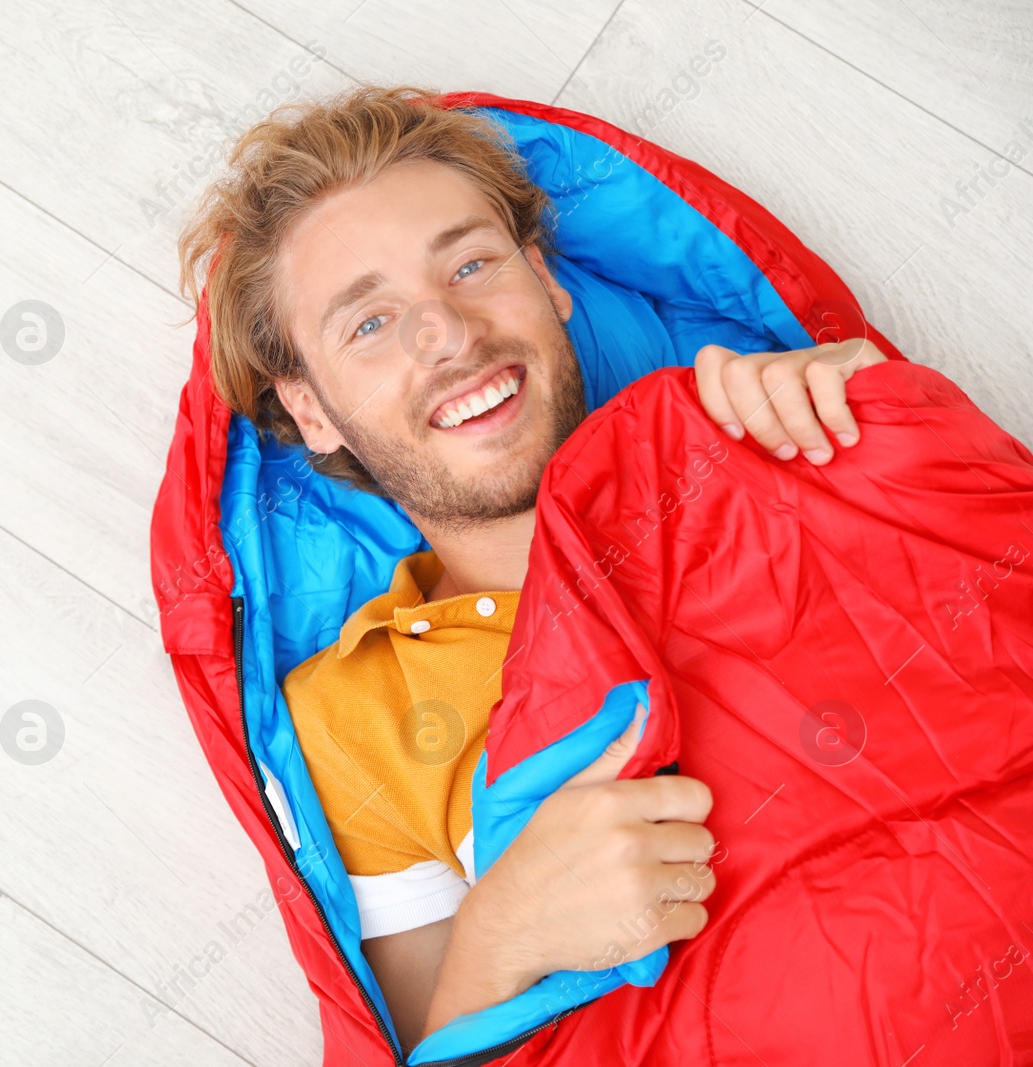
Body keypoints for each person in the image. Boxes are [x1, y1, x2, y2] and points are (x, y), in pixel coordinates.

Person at [176, 85, 889, 1049]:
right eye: (369, 324)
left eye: (471, 263)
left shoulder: (759, 433)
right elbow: (436, 1039)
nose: (447, 331)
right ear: (310, 410)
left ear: (547, 281)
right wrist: (506, 926)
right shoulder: (355, 714)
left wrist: (876, 416)